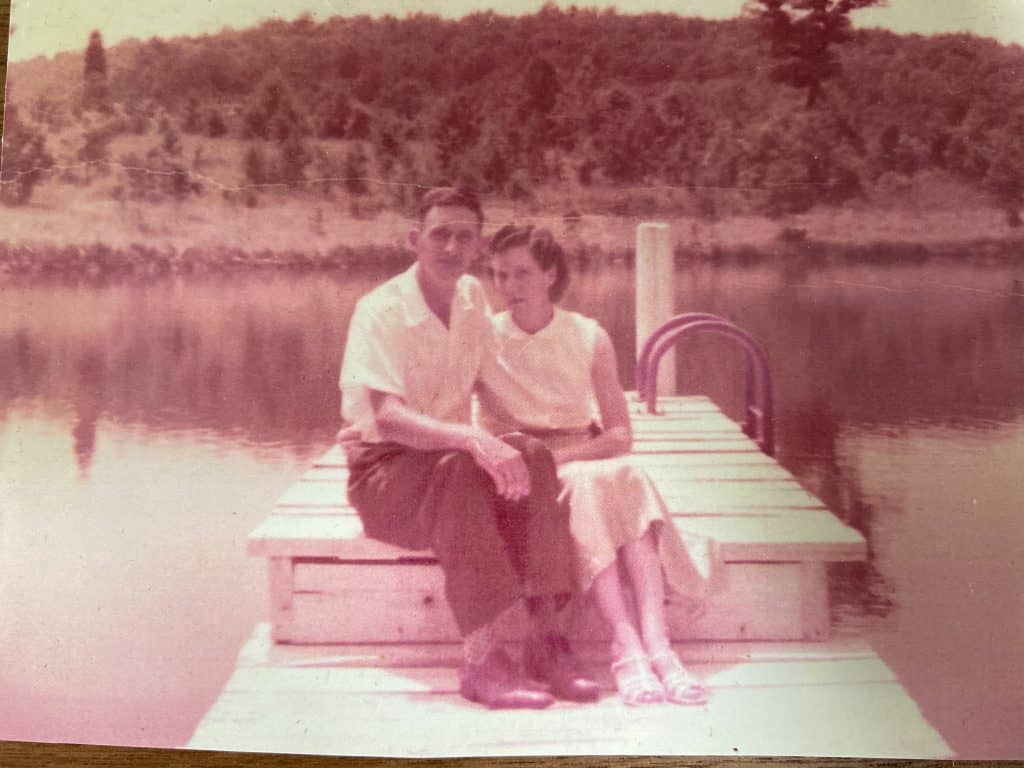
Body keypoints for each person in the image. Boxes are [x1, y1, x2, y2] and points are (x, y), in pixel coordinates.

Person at [338, 188, 599, 709]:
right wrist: (474, 438)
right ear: (416, 240)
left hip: (449, 465)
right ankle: (480, 661)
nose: (452, 247)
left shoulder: (472, 298)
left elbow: (491, 385)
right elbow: (387, 416)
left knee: (533, 456)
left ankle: (543, 642)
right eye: (440, 234)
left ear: (478, 244)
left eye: (464, 235)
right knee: (462, 466)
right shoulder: (381, 310)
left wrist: (561, 429)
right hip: (387, 479)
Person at [477, 224, 716, 706]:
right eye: (499, 275)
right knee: (594, 485)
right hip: (521, 467)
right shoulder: (482, 339)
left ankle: (656, 646)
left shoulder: (587, 336)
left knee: (625, 473)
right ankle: (628, 645)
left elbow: (620, 434)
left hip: (574, 456)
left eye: (522, 273)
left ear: (549, 274)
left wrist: (562, 457)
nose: (508, 287)